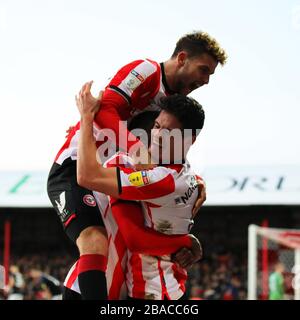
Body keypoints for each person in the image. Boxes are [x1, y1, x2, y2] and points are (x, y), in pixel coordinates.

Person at [47, 31, 226, 299]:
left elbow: (172, 150)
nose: (206, 80)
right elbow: (106, 109)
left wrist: (196, 180)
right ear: (181, 58)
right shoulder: (146, 70)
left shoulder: (172, 108)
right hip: (75, 166)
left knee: (116, 253)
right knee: (95, 240)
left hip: (114, 172)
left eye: (210, 75)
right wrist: (136, 149)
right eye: (203, 70)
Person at [73, 83, 205, 299]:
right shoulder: (186, 172)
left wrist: (87, 117)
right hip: (167, 284)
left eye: (168, 131)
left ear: (189, 139)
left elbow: (87, 176)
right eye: (156, 126)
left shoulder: (161, 180)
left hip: (154, 289)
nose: (157, 135)